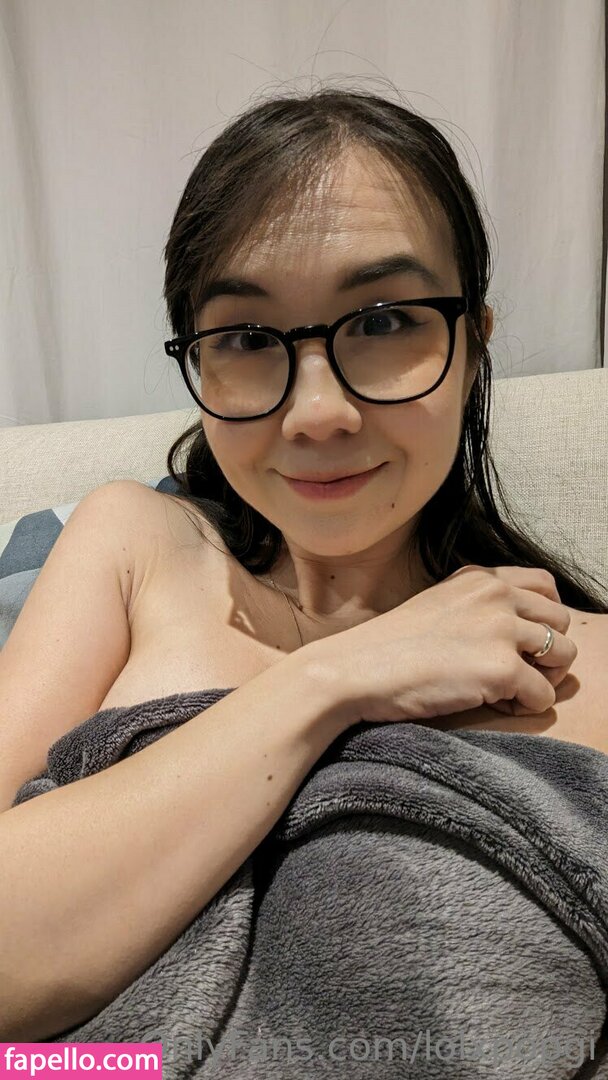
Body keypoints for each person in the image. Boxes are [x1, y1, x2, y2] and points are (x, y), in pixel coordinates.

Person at [1, 86, 606, 1042]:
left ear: (473, 347)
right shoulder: (134, 545)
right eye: (247, 338)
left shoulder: (584, 663)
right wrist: (334, 678)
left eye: (384, 321)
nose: (318, 413)